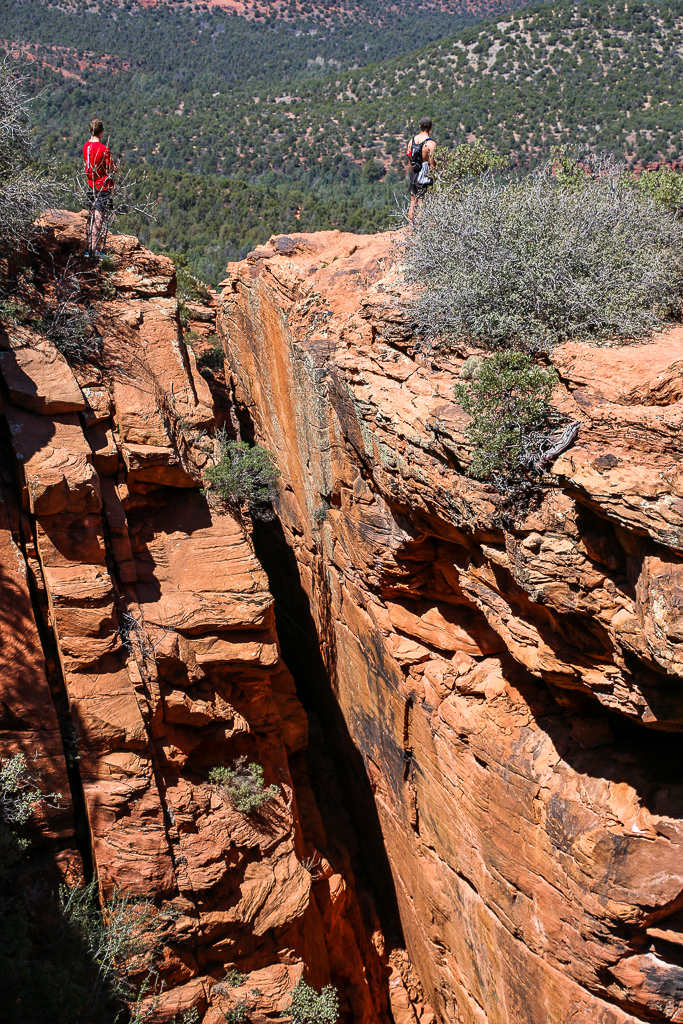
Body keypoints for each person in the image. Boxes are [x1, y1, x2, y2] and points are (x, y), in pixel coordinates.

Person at [82, 118, 116, 256]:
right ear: (101, 132)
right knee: (98, 219)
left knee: (91, 217)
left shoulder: (86, 147)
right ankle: (94, 250)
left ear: (90, 131)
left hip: (90, 185)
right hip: (102, 187)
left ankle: (88, 246)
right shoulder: (104, 149)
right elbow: (111, 169)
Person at [407, 116, 437, 223]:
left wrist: (412, 174)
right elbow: (432, 165)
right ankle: (420, 231)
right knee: (422, 205)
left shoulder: (412, 141)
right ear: (430, 128)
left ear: (420, 126)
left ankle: (411, 229)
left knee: (412, 204)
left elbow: (410, 160)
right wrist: (436, 180)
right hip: (424, 177)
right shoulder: (431, 144)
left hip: (414, 175)